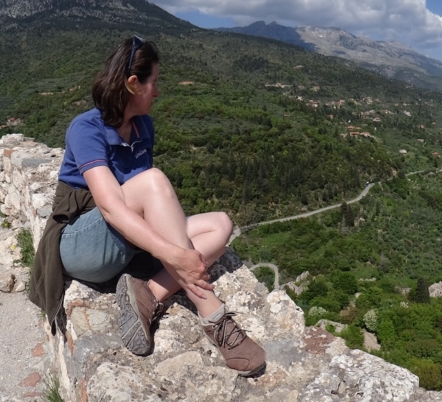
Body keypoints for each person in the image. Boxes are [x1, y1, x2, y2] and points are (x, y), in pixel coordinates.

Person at [28, 36, 265, 376]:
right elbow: (111, 207)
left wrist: (174, 247)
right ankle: (214, 318)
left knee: (221, 225)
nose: (158, 91)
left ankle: (148, 294)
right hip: (81, 243)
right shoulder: (86, 128)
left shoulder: (144, 127)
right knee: (154, 181)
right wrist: (174, 254)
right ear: (132, 83)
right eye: (154, 82)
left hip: (126, 239)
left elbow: (147, 205)